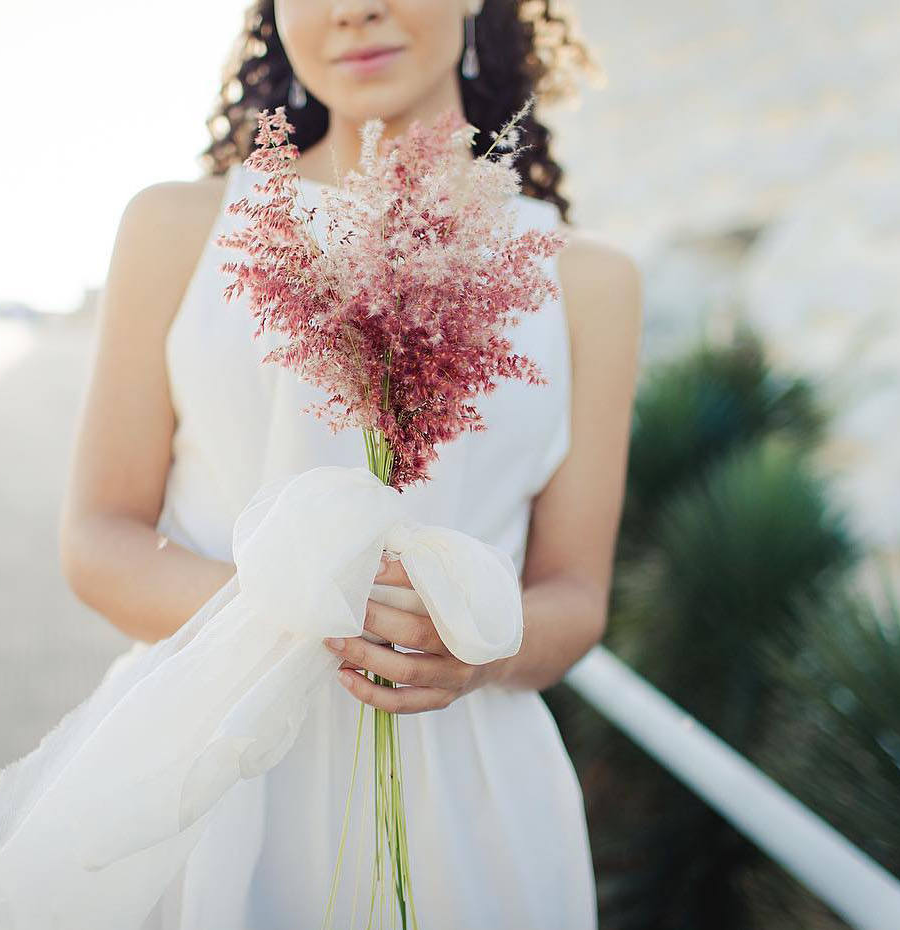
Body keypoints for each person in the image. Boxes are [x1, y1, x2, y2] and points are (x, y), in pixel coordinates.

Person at [58, 0, 643, 926]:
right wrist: (309, 618)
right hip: (206, 767)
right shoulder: (180, 228)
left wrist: (477, 653)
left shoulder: (586, 280)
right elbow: (99, 540)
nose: (354, 8)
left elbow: (574, 596)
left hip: (468, 792)